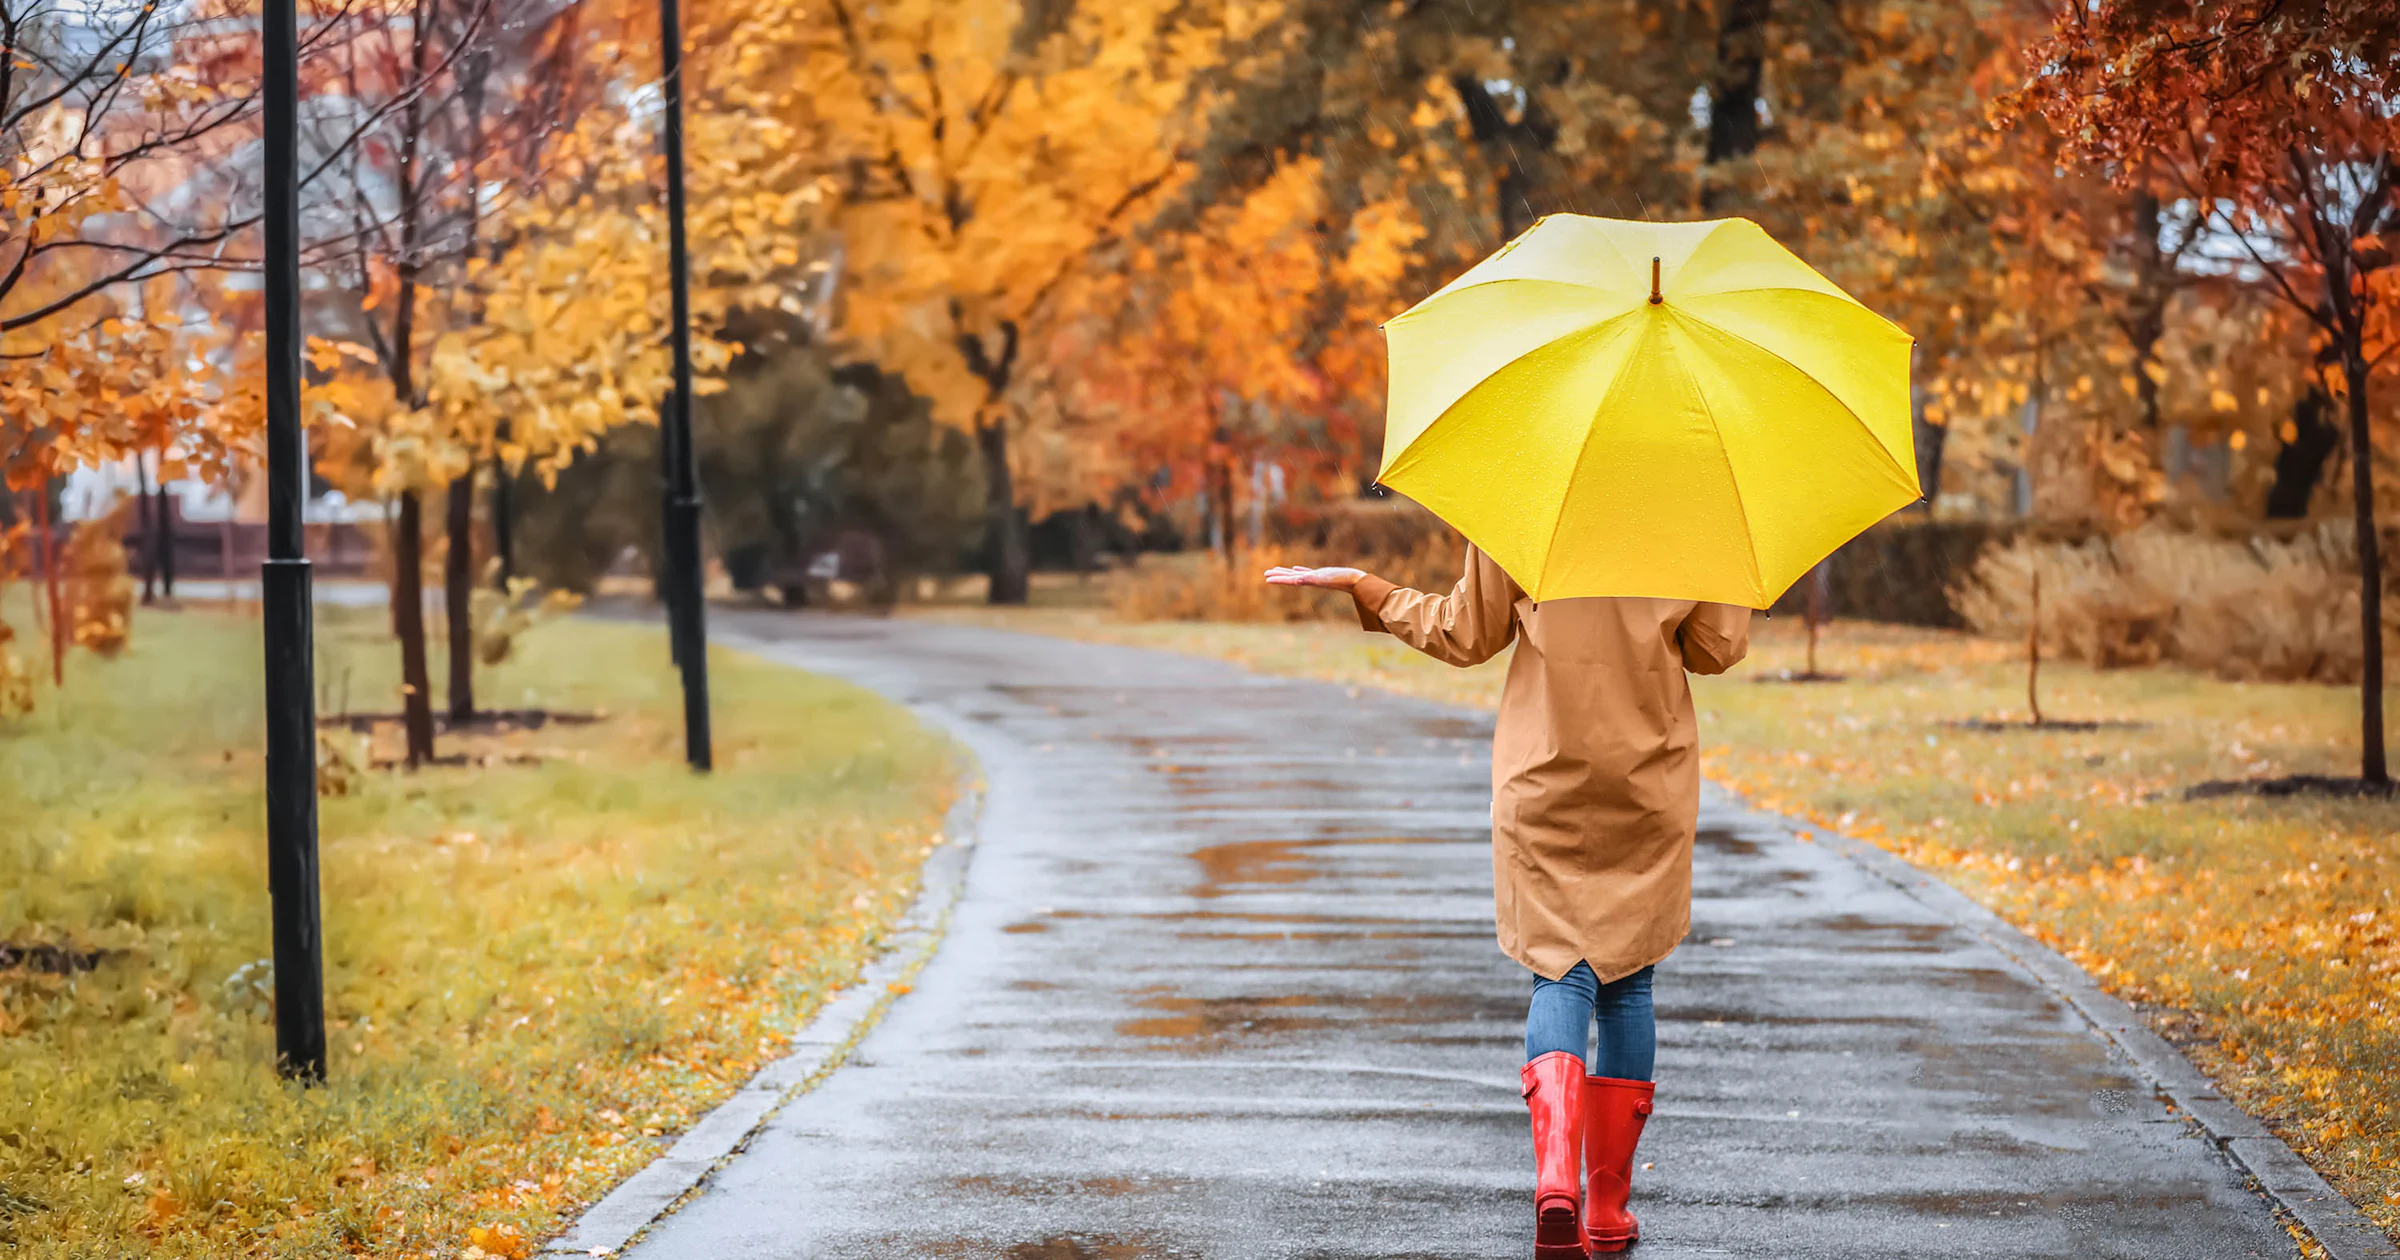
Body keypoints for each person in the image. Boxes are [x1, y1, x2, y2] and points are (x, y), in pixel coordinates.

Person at [1267, 547, 1750, 1258]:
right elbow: (1717, 648)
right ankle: (1607, 1207)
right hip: (1648, 783)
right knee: (1628, 980)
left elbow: (1463, 633)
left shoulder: (1531, 511)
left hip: (1543, 778)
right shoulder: (1693, 518)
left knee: (1560, 972)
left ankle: (1556, 1182)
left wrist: (1368, 587)